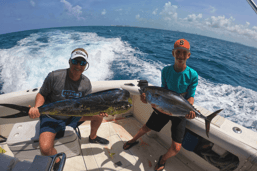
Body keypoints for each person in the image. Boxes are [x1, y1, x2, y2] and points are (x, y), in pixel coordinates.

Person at [123, 39, 198, 171]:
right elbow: (163, 91)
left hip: (179, 110)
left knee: (176, 147)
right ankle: (133, 140)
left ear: (188, 55)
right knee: (146, 128)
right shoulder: (166, 71)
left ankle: (163, 159)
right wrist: (148, 101)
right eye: (178, 52)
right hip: (164, 107)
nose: (181, 55)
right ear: (173, 53)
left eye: (184, 52)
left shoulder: (193, 75)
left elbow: (190, 96)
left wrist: (190, 110)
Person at [28, 48, 109, 168]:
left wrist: (98, 110)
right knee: (45, 148)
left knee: (98, 116)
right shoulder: (54, 76)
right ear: (69, 61)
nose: (78, 65)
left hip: (73, 116)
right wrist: (37, 108)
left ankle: (93, 137)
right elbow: (42, 94)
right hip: (52, 118)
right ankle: (56, 162)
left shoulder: (86, 83)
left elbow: (87, 105)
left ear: (86, 65)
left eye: (82, 63)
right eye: (75, 61)